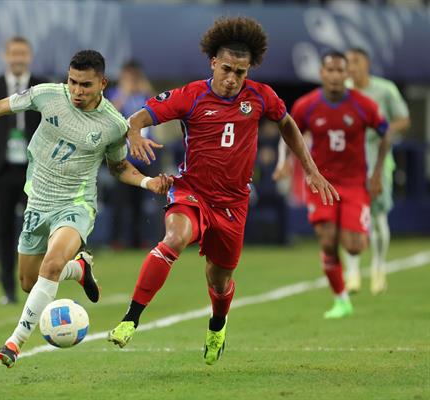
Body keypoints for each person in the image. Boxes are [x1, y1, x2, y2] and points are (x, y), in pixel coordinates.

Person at [0, 50, 173, 368]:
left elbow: (118, 167)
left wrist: (148, 183)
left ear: (103, 83)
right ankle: (79, 269)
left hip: (76, 205)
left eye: (85, 85)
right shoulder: (48, 95)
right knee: (28, 282)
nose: (77, 91)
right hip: (37, 201)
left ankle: (14, 343)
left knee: (50, 266)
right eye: (73, 82)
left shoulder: (113, 124)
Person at [107, 17, 338, 365]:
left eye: (240, 72)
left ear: (249, 70)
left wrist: (311, 169)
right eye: (227, 69)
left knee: (220, 279)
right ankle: (130, 318)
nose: (232, 79)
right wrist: (134, 133)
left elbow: (287, 123)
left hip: (233, 203)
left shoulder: (261, 97)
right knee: (174, 239)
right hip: (192, 191)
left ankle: (217, 325)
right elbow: (138, 117)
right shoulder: (190, 95)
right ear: (213, 62)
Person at [275, 51, 391, 319]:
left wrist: (376, 173)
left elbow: (385, 134)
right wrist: (285, 162)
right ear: (322, 73)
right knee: (327, 241)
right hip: (321, 181)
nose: (336, 76)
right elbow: (289, 132)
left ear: (347, 74)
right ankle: (341, 300)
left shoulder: (363, 104)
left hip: (353, 184)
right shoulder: (307, 105)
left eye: (341, 71)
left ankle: (353, 230)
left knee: (354, 246)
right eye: (331, 70)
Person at [0, 37, 48, 303]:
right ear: (6, 56)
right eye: (13, 53)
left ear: (30, 56)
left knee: (38, 228)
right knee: (2, 230)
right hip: (0, 169)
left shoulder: (42, 85)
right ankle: (8, 289)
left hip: (34, 169)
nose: (18, 58)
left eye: (22, 53)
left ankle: (38, 287)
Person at [343, 48, 410, 294]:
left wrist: (382, 128)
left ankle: (379, 267)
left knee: (378, 218)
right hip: (348, 164)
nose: (351, 67)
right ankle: (352, 274)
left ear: (366, 63)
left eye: (356, 61)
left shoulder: (385, 90)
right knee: (349, 220)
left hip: (378, 162)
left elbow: (404, 119)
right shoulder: (343, 92)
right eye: (347, 62)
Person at [107, 60, 161, 248]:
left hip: (146, 156)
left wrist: (146, 87)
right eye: (128, 76)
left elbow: (160, 110)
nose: (132, 80)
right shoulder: (115, 94)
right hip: (123, 156)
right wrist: (124, 92)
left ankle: (141, 240)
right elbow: (110, 115)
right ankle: (117, 240)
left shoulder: (145, 94)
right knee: (120, 202)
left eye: (134, 76)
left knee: (144, 202)